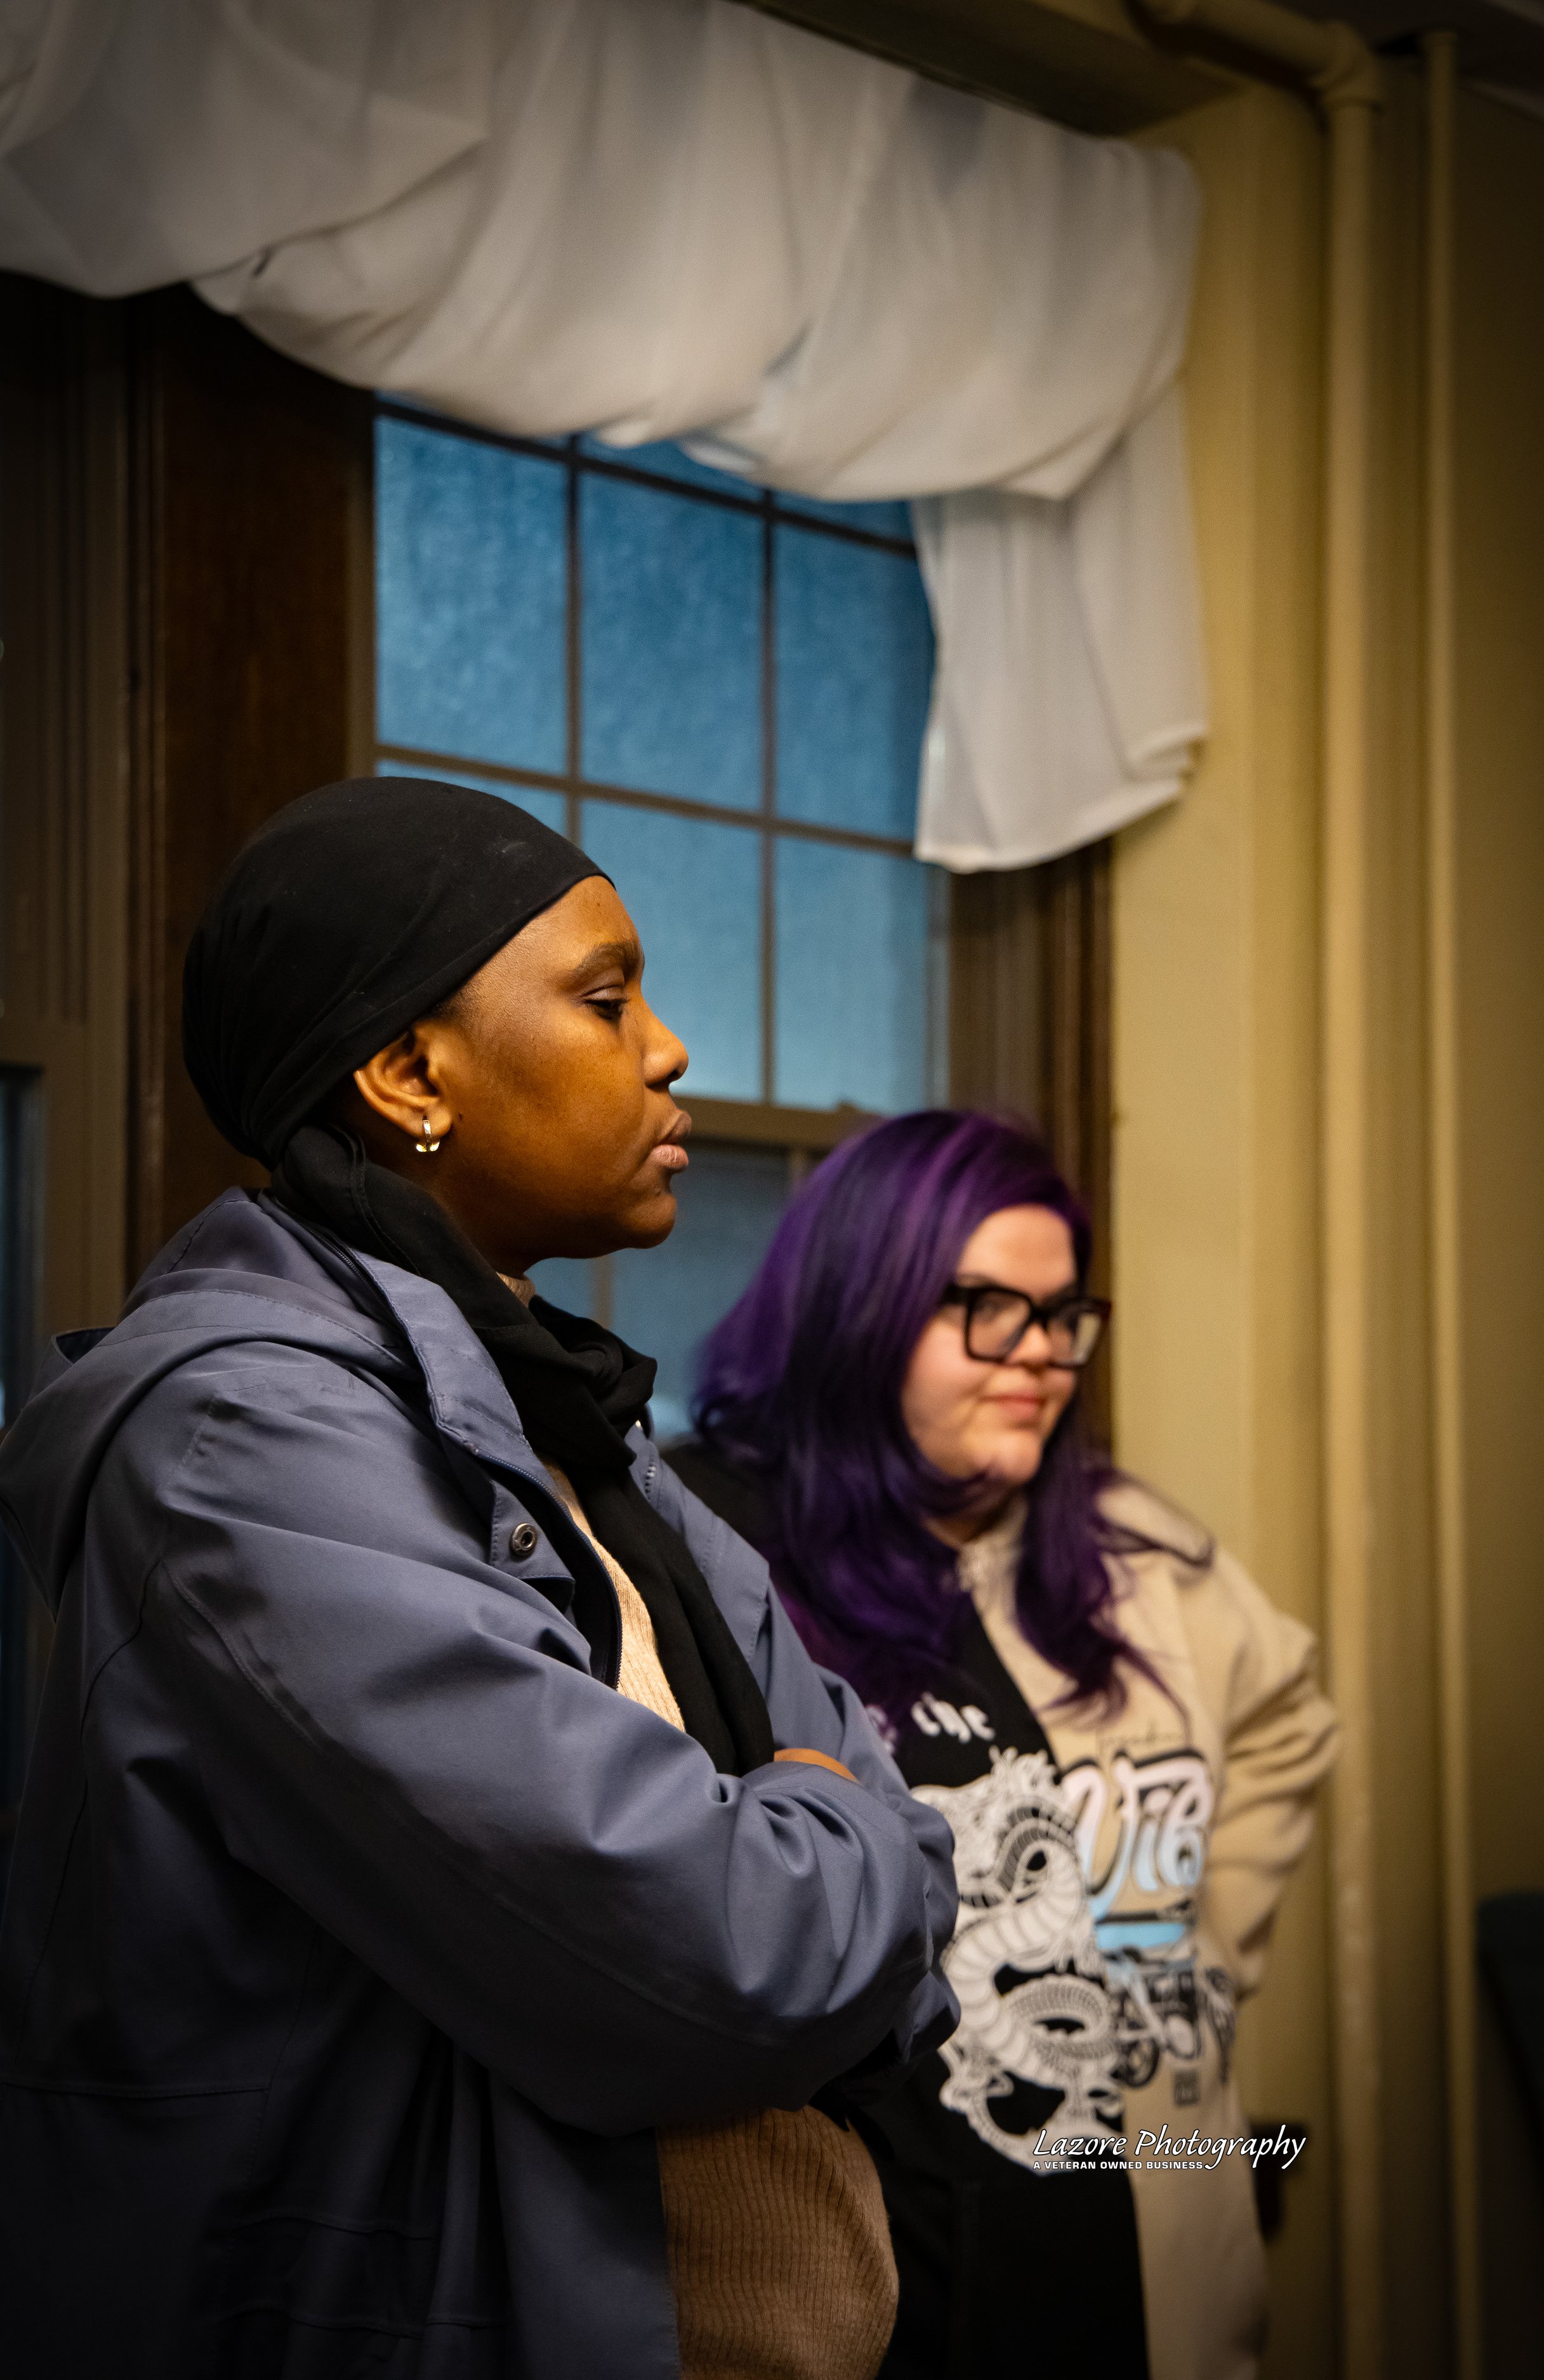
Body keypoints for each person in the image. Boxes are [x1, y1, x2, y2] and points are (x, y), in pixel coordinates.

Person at [0, 777, 959, 2380]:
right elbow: (712, 1948)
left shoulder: (570, 1416)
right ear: (405, 1074)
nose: (664, 1049)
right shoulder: (243, 1442)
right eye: (604, 997)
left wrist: (827, 1842)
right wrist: (832, 1852)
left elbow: (876, 1813)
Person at [668, 1109, 1338, 2380]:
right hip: (872, 2269)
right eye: (982, 1309)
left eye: (1059, 1316)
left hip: (1132, 2240)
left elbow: (1285, 1719)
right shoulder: (716, 1545)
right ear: (858, 1309)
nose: (1035, 1354)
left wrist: (1180, 1958)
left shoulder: (1127, 1555)